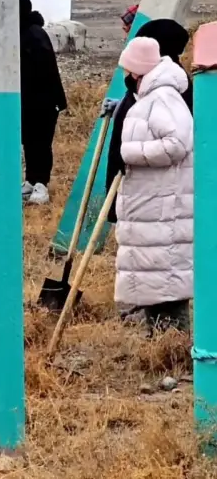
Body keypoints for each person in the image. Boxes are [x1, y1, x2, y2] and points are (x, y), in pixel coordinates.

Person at [113, 36, 194, 335]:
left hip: (164, 207)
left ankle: (173, 346)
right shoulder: (149, 98)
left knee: (165, 277)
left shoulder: (163, 98)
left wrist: (129, 153)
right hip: (153, 205)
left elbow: (177, 144)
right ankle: (160, 340)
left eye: (129, 69)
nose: (126, 76)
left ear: (138, 70)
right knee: (156, 275)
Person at [103, 18, 193, 224]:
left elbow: (175, 141)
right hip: (139, 184)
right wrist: (121, 106)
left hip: (154, 191)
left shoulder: (169, 90)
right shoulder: (146, 80)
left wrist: (128, 152)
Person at [19, 0, 68, 205]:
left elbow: (44, 73)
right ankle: (30, 180)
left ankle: (41, 184)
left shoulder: (34, 35)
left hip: (42, 102)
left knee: (40, 142)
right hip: (27, 100)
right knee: (29, 141)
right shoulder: (22, 32)